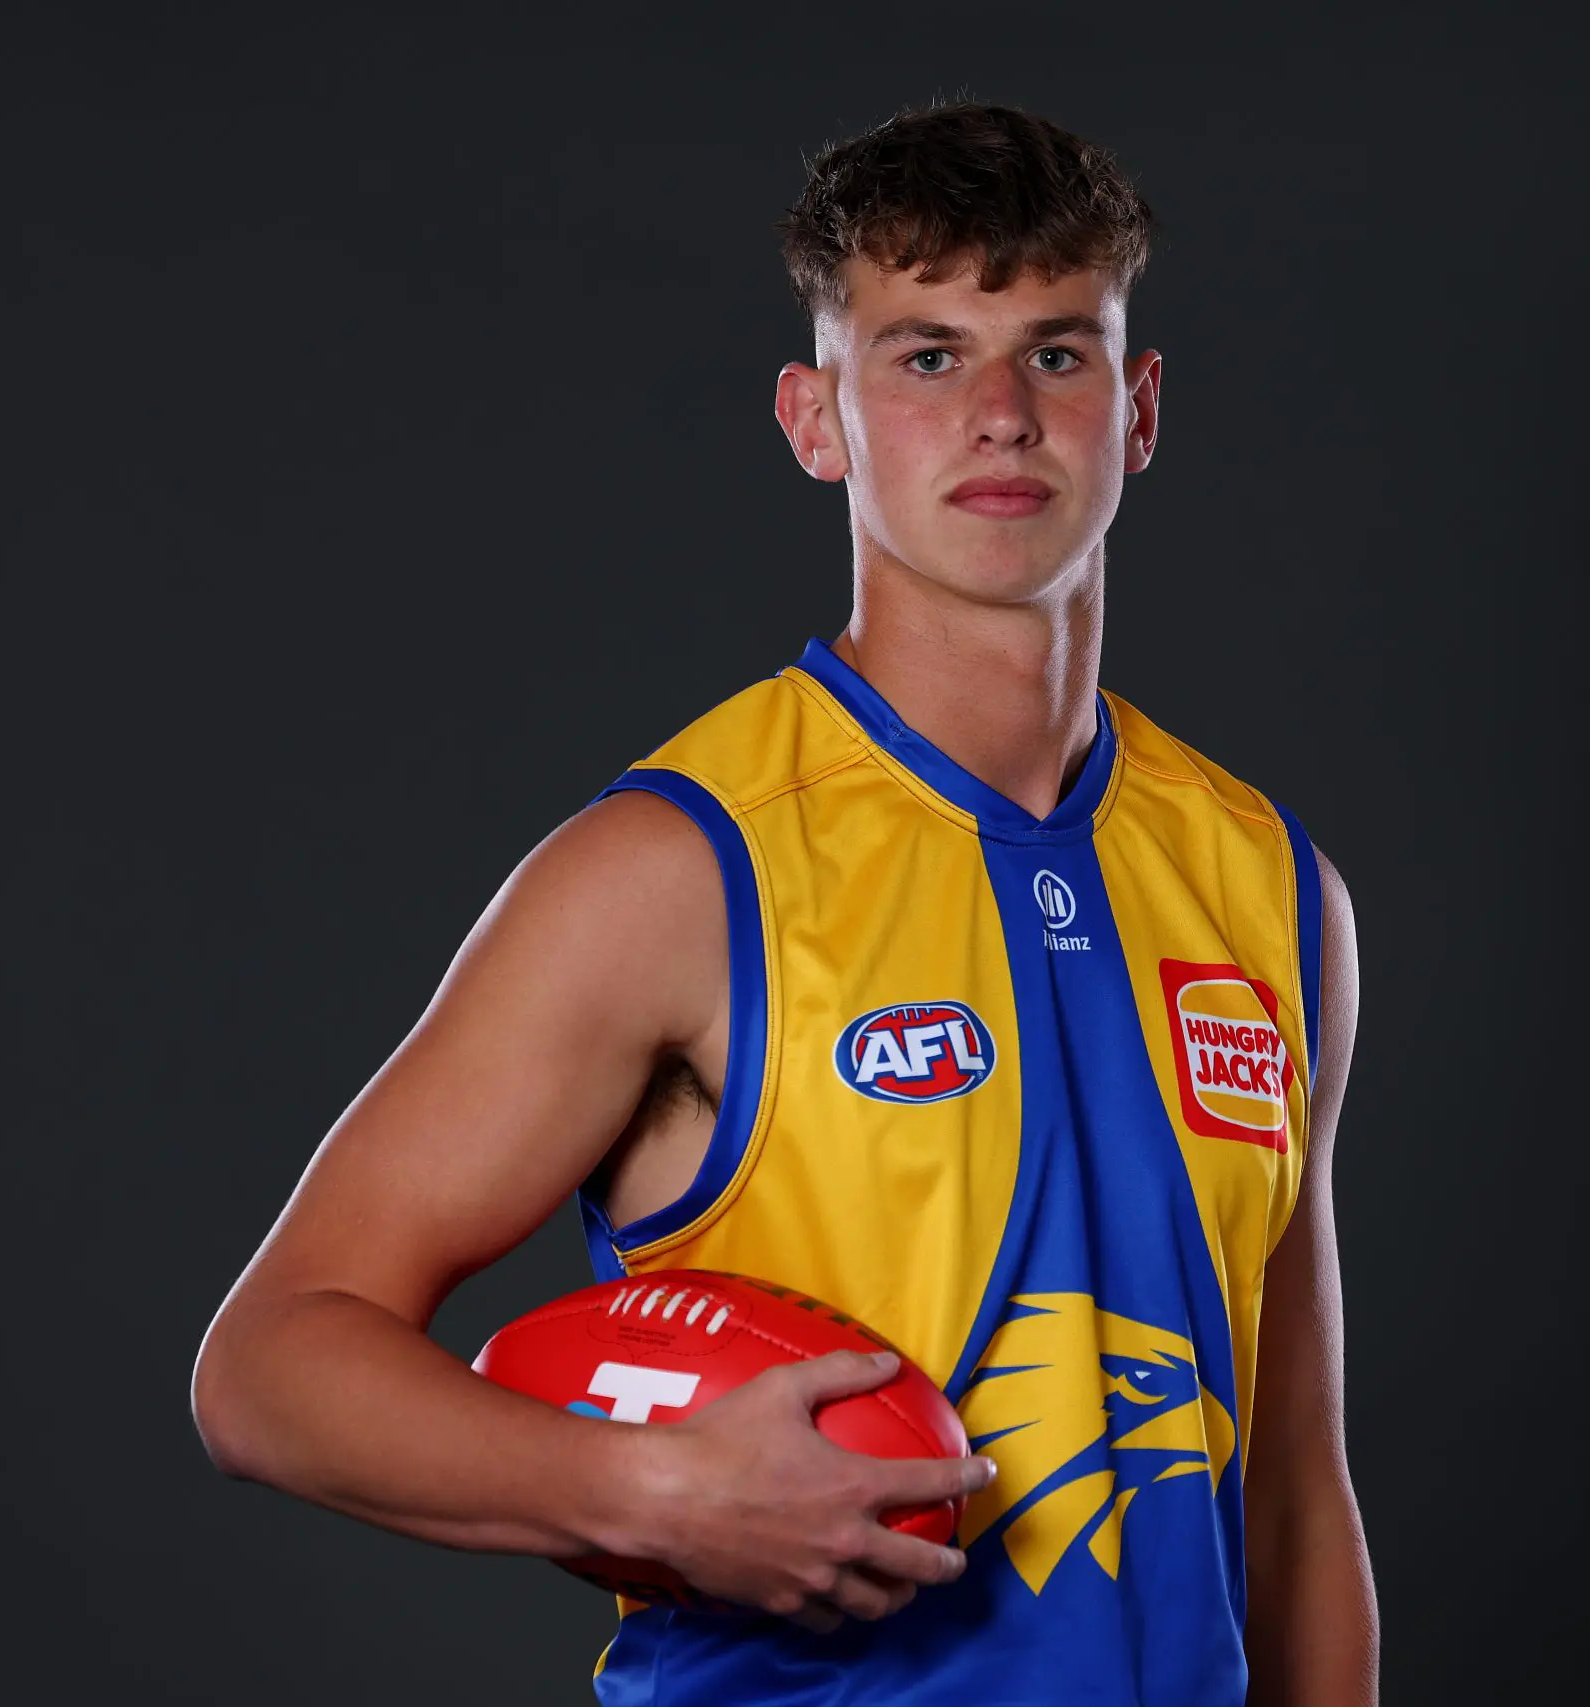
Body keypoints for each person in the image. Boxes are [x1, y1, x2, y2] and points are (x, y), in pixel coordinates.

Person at [192, 100, 1376, 1705]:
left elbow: (1293, 1494)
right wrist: (648, 1490)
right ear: (818, 419)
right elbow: (269, 1364)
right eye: (927, 356)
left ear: (1139, 407)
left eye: (1057, 353)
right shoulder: (681, 870)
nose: (1002, 416)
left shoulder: (1274, 889)